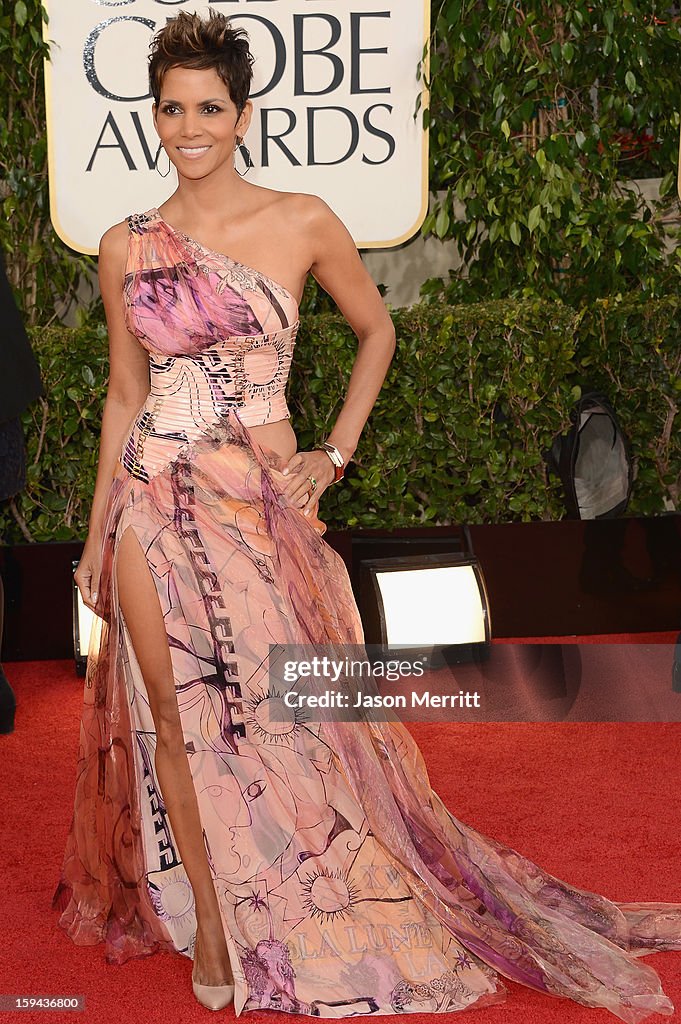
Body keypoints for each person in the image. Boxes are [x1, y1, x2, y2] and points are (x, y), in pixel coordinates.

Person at [52, 11, 681, 1021]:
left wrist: (331, 453)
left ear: (243, 114)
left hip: (259, 508)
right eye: (171, 109)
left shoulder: (301, 219)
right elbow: (126, 394)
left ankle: (307, 875)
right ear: (154, 118)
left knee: (291, 711)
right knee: (171, 716)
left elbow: (376, 328)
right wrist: (92, 531)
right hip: (151, 499)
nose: (189, 126)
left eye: (208, 106)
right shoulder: (126, 245)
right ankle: (212, 924)